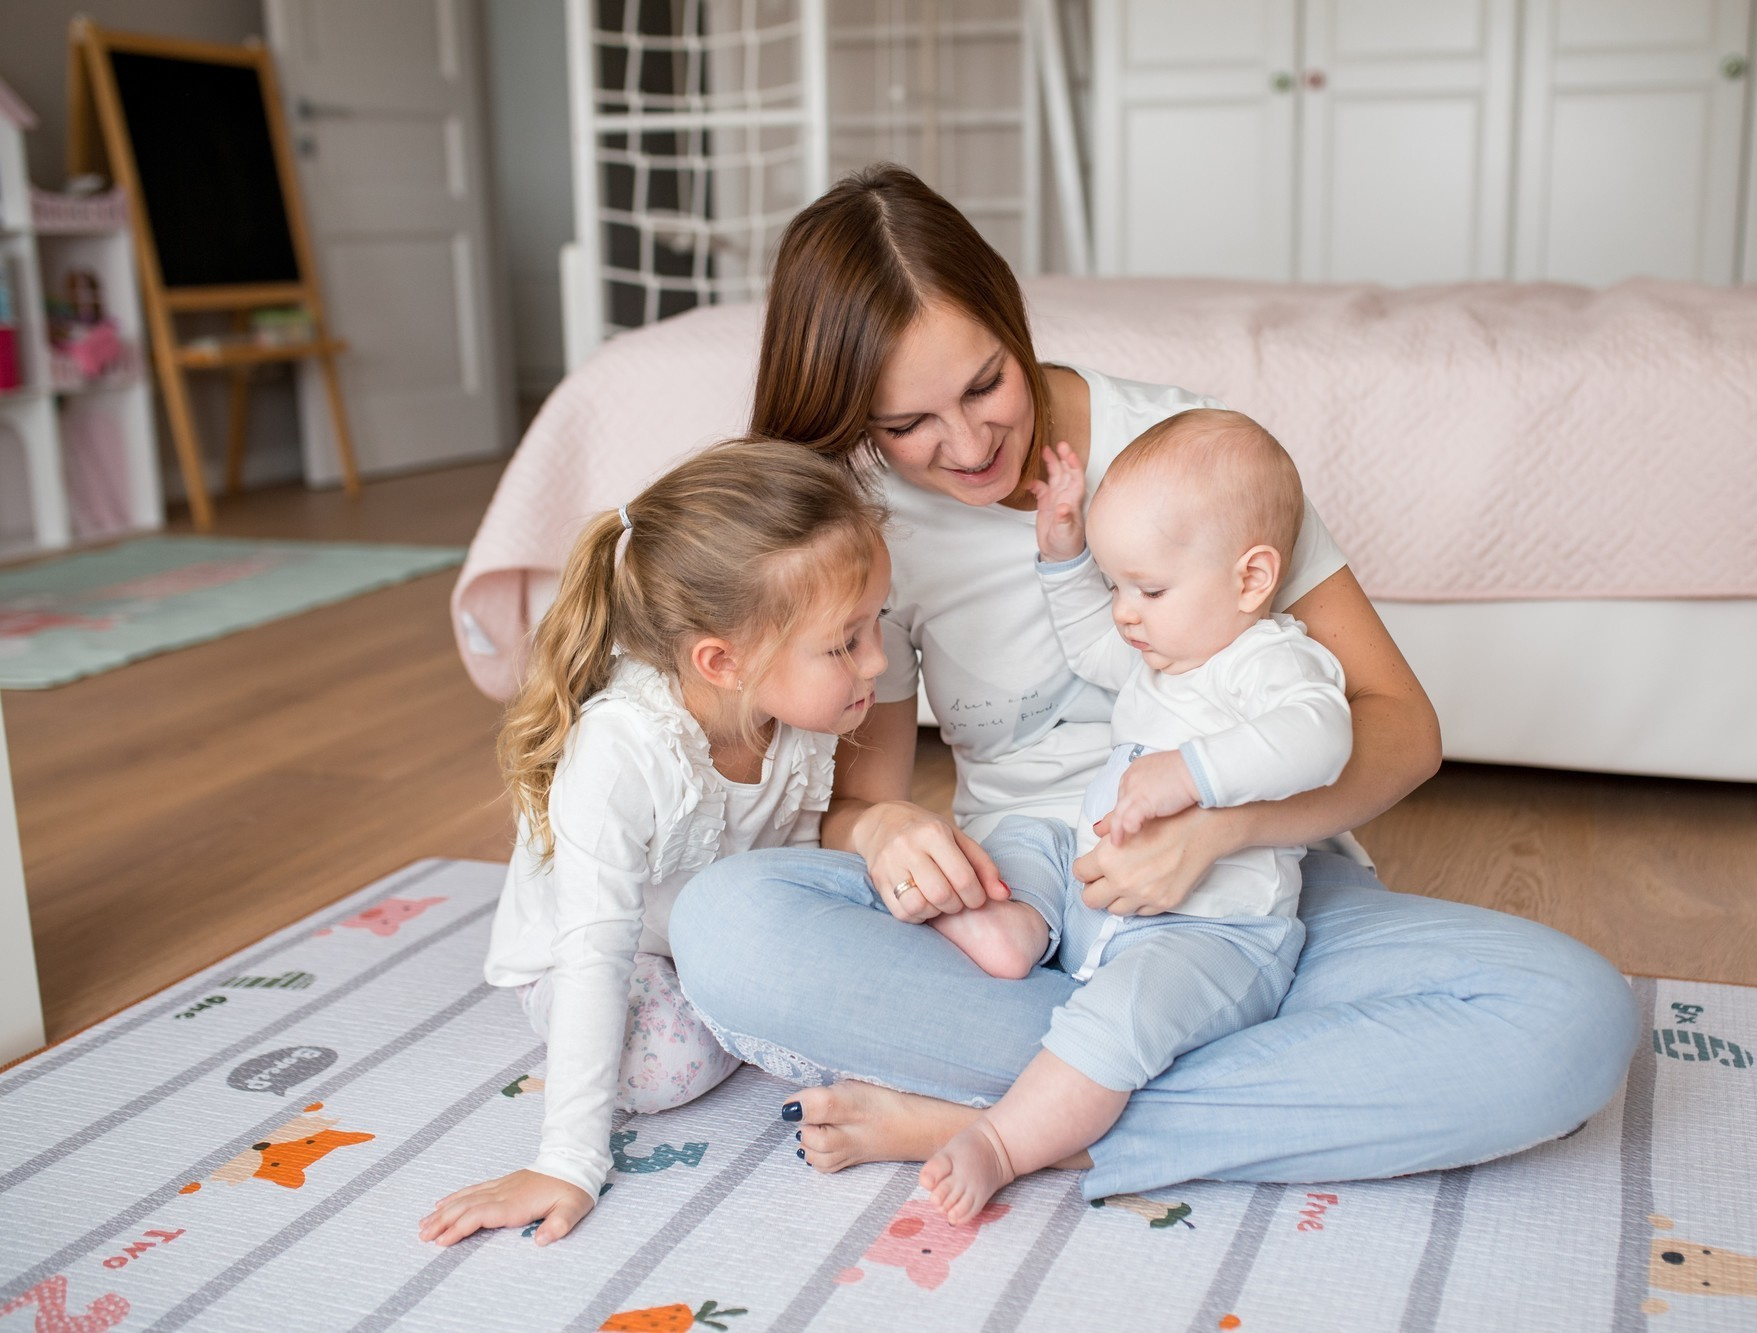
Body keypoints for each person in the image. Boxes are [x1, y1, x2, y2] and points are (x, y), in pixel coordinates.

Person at [669, 164, 1640, 1207]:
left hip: (1250, 906)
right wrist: (882, 831)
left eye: (985, 383)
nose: (966, 444)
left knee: (1573, 1019)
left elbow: (1399, 726)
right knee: (724, 924)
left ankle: (1023, 1123)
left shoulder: (1196, 457)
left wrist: (1218, 832)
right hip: (1028, 910)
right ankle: (1151, 1094)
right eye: (906, 425)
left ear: (1011, 309)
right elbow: (860, 795)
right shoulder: (869, 524)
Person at [418, 439, 892, 1247]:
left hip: (714, 930)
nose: (878, 659)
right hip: (608, 953)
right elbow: (594, 951)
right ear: (722, 661)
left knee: (877, 952)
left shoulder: (804, 707)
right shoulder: (624, 750)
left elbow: (798, 871)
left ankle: (755, 1014)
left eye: (876, 622)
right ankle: (741, 1026)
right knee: (666, 1065)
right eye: (846, 641)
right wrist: (567, 1160)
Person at [920, 409, 1355, 1223]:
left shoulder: (1267, 659)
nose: (1125, 611)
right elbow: (1093, 647)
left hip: (1210, 935)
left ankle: (1005, 1142)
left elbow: (1322, 735)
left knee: (1119, 1020)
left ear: (1251, 579)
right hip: (1101, 892)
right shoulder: (1169, 648)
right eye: (1120, 587)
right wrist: (1063, 557)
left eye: (1147, 589)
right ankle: (1016, 923)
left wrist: (1192, 773)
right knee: (1023, 840)